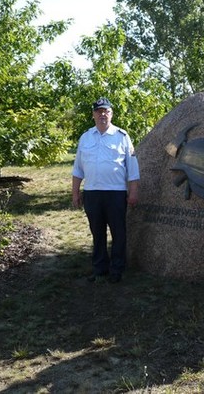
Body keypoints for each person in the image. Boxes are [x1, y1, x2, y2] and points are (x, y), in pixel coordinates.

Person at [71, 97, 140, 283]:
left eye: (106, 111)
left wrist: (133, 192)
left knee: (118, 232)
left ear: (111, 114)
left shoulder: (122, 137)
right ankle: (100, 267)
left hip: (115, 192)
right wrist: (75, 192)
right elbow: (78, 168)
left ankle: (117, 268)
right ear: (93, 115)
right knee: (97, 232)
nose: (102, 114)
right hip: (92, 193)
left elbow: (133, 169)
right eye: (99, 111)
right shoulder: (85, 137)